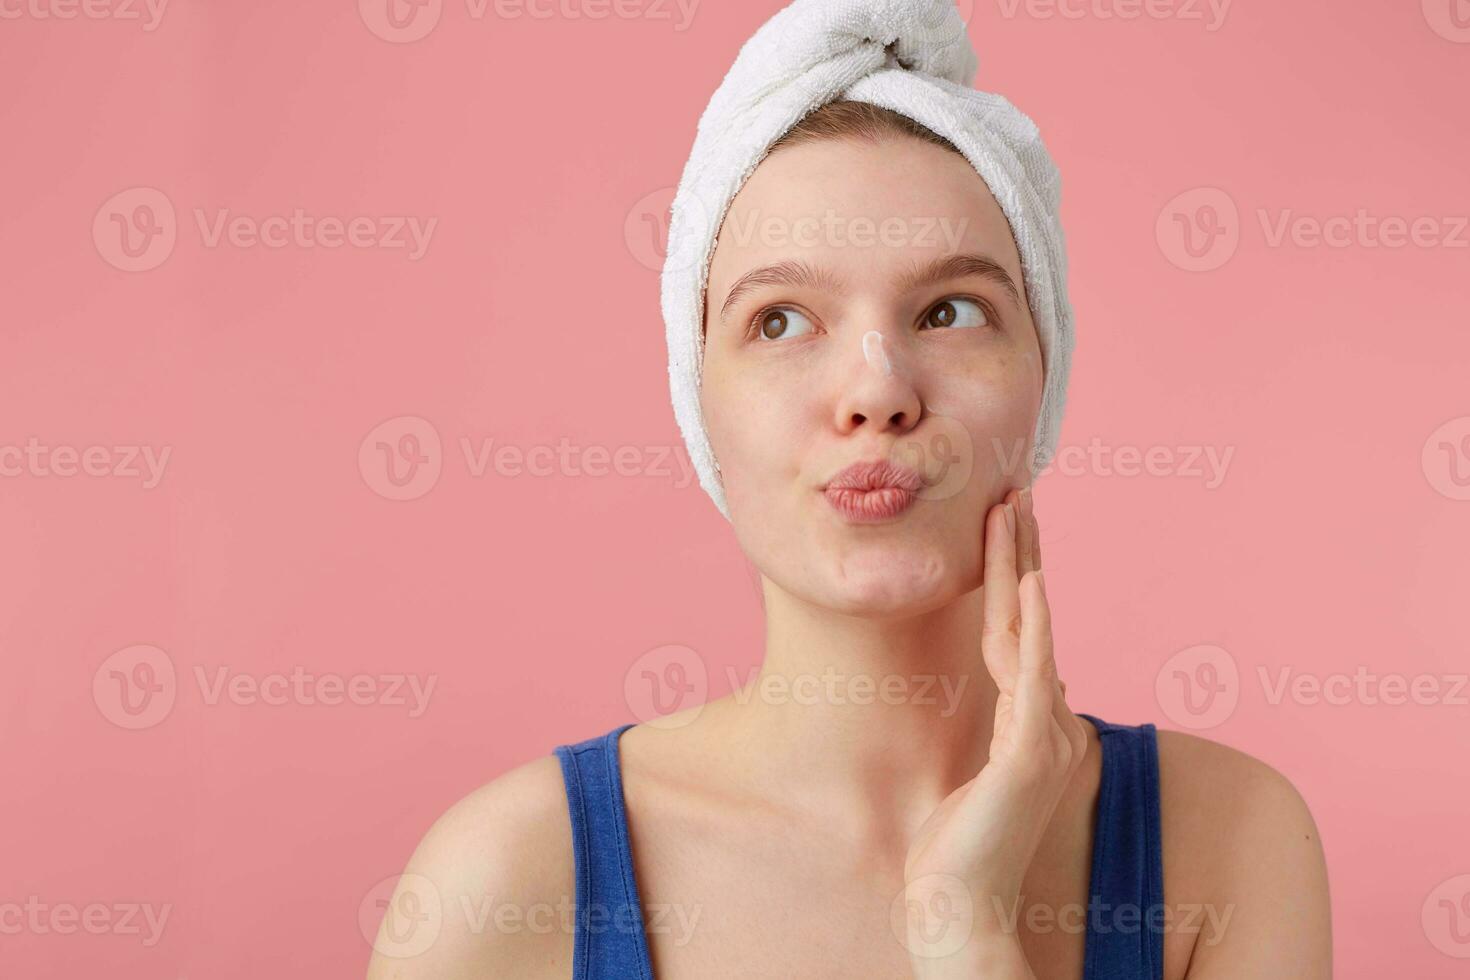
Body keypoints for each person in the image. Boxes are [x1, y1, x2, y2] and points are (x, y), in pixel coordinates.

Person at [366, 4, 1331, 978]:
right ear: (699, 397)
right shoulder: (507, 881)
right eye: (781, 320)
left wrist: (967, 929)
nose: (877, 389)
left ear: (1046, 373)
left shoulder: (1228, 846)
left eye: (951, 310)